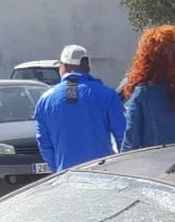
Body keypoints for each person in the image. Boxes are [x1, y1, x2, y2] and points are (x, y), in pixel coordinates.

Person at [33, 43, 124, 172]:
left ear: (63, 67)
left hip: (67, 177)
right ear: (87, 67)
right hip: (103, 174)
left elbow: (44, 143)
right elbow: (122, 136)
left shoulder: (45, 100)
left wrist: (58, 170)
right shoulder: (107, 94)